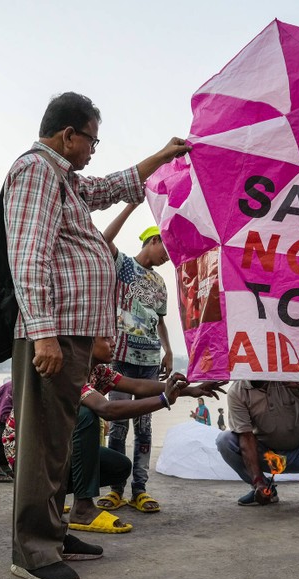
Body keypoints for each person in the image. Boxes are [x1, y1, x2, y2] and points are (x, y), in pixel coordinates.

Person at [4, 90, 189, 579]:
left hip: (72, 332)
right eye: (92, 140)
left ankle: (55, 532)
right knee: (41, 442)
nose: (92, 150)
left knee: (59, 442)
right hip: (54, 331)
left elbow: (110, 188)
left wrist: (162, 156)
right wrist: (43, 335)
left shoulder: (62, 178)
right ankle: (33, 552)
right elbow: (28, 254)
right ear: (69, 135)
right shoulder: (35, 171)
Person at [68, 337, 224, 533]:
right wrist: (164, 400)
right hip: (39, 458)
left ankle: (56, 498)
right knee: (87, 415)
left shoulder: (98, 371)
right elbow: (106, 408)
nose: (114, 342)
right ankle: (81, 508)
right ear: (87, 342)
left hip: (61, 454)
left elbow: (137, 386)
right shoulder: (71, 371)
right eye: (106, 338)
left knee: (120, 467)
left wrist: (191, 390)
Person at [102, 206, 173, 515]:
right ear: (153, 240)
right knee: (117, 425)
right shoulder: (125, 267)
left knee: (144, 428)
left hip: (149, 362)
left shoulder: (159, 284)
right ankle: (116, 489)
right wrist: (130, 205)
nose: (167, 259)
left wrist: (169, 350)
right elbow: (104, 239)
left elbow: (159, 321)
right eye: (166, 251)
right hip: (120, 358)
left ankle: (139, 490)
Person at [216, 378, 299, 511]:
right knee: (225, 440)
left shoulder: (289, 374)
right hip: (268, 457)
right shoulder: (237, 391)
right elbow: (246, 437)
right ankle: (265, 489)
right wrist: (258, 481)